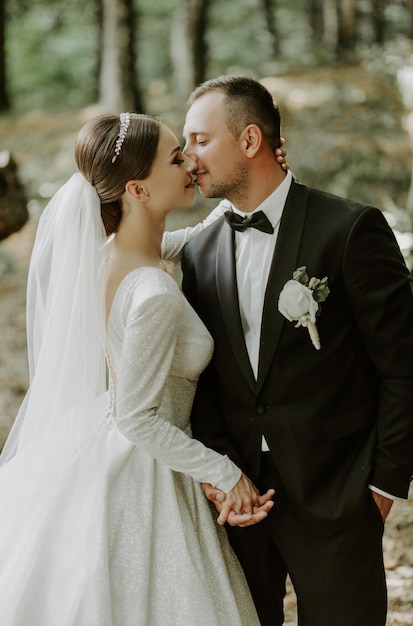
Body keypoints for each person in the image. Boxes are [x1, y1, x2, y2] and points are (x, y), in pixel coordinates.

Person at [0, 112, 286, 625]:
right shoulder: (152, 291)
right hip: (148, 473)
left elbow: (189, 239)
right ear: (137, 188)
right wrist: (225, 473)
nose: (191, 164)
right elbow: (137, 417)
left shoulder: (110, 257)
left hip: (95, 449)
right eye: (177, 158)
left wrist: (254, 183)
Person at [181, 75, 413, 626]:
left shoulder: (350, 228)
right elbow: (205, 379)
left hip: (339, 493)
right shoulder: (198, 252)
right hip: (240, 505)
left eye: (199, 140)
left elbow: (404, 367)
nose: (188, 158)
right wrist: (220, 477)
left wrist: (383, 485)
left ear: (249, 140)